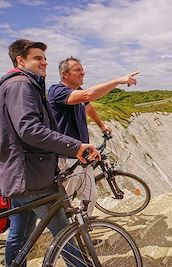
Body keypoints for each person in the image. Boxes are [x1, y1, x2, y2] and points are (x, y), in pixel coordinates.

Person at [0, 39, 99, 267]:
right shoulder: (20, 85)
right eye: (38, 58)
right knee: (64, 234)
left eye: (44, 58)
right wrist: (75, 146)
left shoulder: (22, 84)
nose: (44, 62)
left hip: (21, 173)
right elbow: (29, 129)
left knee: (20, 233)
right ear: (20, 60)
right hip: (31, 176)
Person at [48, 56, 139, 215]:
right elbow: (88, 96)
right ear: (64, 74)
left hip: (82, 155)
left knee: (90, 197)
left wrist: (102, 126)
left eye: (82, 70)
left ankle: (84, 234)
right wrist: (118, 81)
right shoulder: (57, 91)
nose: (83, 73)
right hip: (67, 156)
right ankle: (65, 236)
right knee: (65, 201)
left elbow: (88, 106)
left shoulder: (77, 92)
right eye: (77, 69)